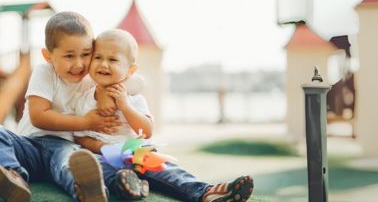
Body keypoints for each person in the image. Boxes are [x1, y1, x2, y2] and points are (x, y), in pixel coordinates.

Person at [0, 11, 143, 202]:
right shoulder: (44, 73)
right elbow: (39, 117)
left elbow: (137, 81)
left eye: (86, 54)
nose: (79, 64)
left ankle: (87, 191)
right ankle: (14, 177)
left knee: (72, 163)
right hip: (29, 146)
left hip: (63, 147)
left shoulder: (93, 77)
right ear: (48, 56)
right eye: (69, 56)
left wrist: (105, 92)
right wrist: (85, 122)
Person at [73, 29, 255, 202]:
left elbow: (146, 130)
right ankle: (128, 185)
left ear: (130, 70)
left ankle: (205, 192)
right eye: (98, 57)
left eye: (112, 59)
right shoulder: (84, 99)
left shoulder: (134, 98)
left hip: (135, 156)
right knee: (100, 171)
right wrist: (102, 146)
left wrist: (125, 106)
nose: (103, 64)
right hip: (103, 158)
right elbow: (79, 137)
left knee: (168, 171)